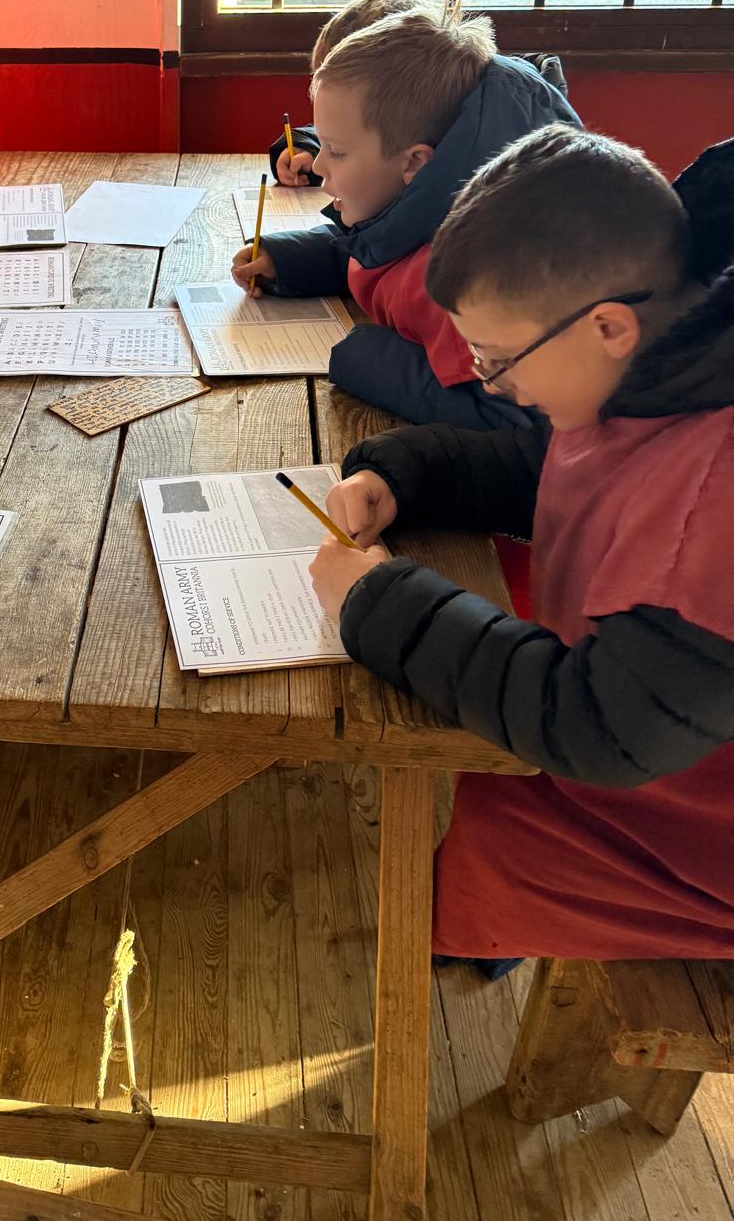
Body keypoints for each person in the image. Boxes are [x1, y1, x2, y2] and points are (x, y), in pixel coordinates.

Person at [308, 127, 734, 967]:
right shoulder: (655, 367)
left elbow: (597, 729)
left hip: (686, 833)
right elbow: (552, 464)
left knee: (435, 872)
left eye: (500, 359)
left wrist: (377, 602)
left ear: (608, 326)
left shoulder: (710, 505)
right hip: (644, 723)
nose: (492, 383)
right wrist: (406, 473)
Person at [233, 3, 579, 429]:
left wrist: (365, 357)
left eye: (335, 151)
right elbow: (382, 247)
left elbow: (512, 418)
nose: (319, 166)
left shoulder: (466, 285)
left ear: (414, 162)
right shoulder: (424, 201)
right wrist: (288, 259)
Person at [268, 0, 570, 188]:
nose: (321, 166)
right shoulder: (467, 110)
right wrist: (309, 144)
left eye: (336, 150)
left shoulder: (485, 182)